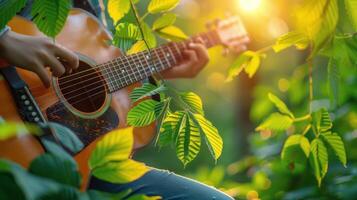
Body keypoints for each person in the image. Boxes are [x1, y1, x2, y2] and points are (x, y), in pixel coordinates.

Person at [0, 0, 249, 199]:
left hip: (84, 167)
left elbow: (98, 68)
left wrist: (163, 69)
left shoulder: (91, 8)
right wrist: (5, 39)